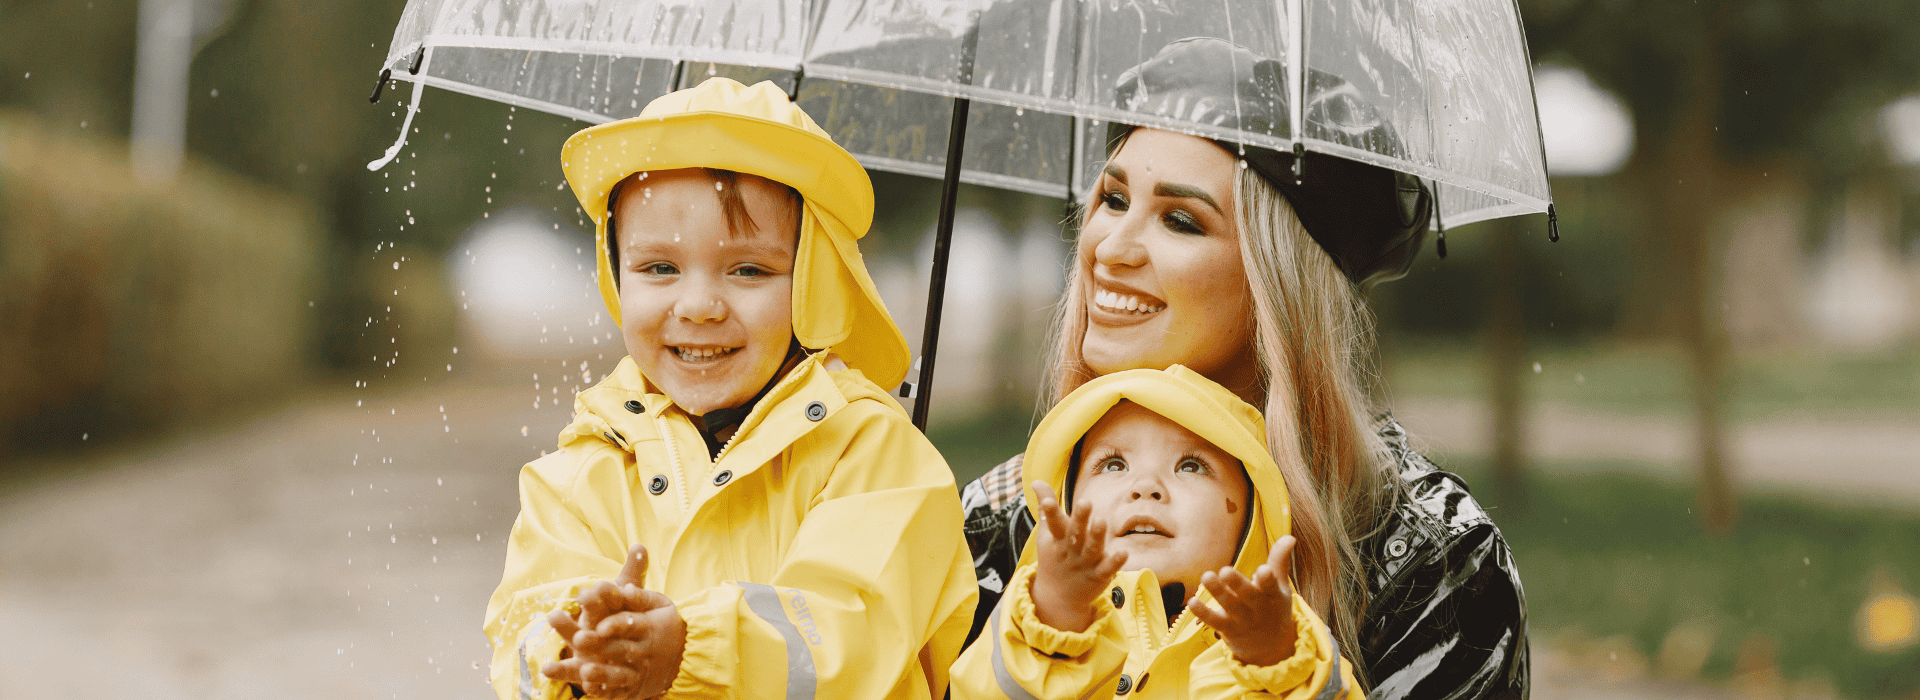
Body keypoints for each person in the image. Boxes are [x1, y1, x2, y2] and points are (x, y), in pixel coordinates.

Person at [960, 39, 1528, 698]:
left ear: (1278, 280)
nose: (1109, 249)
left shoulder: (1436, 563)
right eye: (1113, 201)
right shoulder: (997, 520)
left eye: (1179, 220)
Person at [483, 77, 976, 700]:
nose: (699, 305)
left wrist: (691, 651)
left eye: (748, 270)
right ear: (615, 277)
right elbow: (521, 640)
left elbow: (852, 632)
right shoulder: (578, 477)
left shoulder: (877, 457)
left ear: (811, 284)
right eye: (659, 268)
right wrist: (579, 654)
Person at [954, 366, 1364, 699]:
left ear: (1251, 516)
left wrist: (1273, 660)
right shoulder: (1028, 623)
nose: (1145, 485)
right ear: (1067, 500)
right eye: (1113, 464)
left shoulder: (1287, 640)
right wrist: (1055, 613)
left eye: (1190, 465)